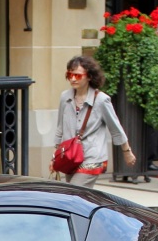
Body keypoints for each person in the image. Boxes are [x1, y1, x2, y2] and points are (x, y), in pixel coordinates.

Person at [52, 55, 137, 189]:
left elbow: (115, 128)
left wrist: (127, 151)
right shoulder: (65, 97)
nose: (73, 79)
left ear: (89, 76)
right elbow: (60, 127)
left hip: (91, 157)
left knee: (74, 192)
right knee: (76, 197)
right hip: (69, 156)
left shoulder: (101, 100)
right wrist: (55, 155)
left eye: (78, 75)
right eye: (70, 75)